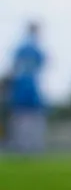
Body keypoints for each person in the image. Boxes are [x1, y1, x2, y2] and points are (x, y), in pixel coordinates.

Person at [5, 22, 48, 154]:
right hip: (27, 87)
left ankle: (22, 146)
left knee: (22, 118)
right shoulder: (34, 48)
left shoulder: (22, 47)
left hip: (23, 88)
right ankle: (31, 146)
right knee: (30, 118)